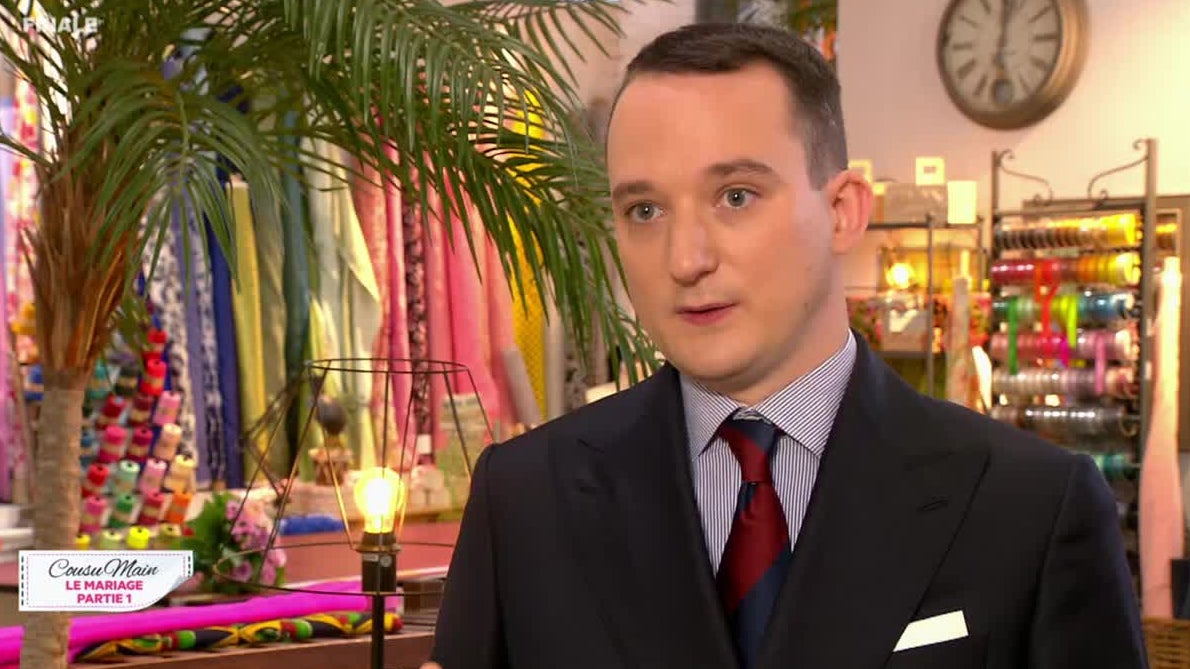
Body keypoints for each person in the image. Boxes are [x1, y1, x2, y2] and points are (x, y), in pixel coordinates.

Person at [424, 22, 1148, 669]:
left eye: (735, 196)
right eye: (644, 210)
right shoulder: (525, 500)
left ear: (842, 212)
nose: (685, 258)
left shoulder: (1031, 506)